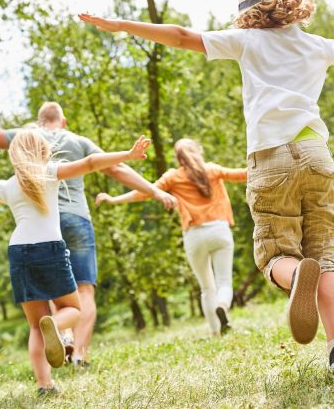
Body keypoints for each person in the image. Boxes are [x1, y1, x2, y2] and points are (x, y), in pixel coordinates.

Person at [78, 0, 334, 376]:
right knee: (326, 257)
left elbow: (183, 36)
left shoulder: (247, 42)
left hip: (271, 159)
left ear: (247, 13)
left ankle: (294, 275)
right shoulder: (313, 43)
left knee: (274, 254)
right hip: (316, 154)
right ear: (286, 3)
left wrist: (123, 25)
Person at [0, 130, 152, 395]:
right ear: (43, 151)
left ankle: (44, 385)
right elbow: (89, 164)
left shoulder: (6, 186)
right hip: (49, 249)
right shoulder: (50, 172)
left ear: (14, 155)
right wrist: (127, 155)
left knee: (34, 325)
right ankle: (57, 325)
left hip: (19, 252)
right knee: (72, 309)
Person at [0, 100, 176, 367]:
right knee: (83, 291)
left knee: (56, 290)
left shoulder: (26, 137)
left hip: (41, 225)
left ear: (39, 121)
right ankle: (79, 354)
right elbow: (114, 167)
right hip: (76, 219)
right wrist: (155, 191)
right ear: (63, 121)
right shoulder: (78, 140)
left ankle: (63, 337)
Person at [95, 138, 247, 336]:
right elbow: (244, 174)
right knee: (224, 283)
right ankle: (222, 306)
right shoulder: (213, 170)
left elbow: (145, 192)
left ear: (178, 158)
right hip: (219, 230)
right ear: (198, 151)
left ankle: (214, 332)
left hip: (194, 235)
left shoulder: (173, 177)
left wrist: (114, 199)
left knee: (206, 287)